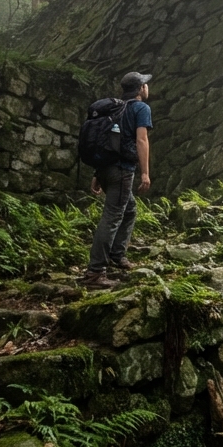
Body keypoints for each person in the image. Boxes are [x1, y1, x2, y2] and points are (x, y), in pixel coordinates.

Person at [82, 70, 152, 289]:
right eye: (146, 85)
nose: (148, 88)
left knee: (129, 209)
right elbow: (141, 141)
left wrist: (97, 174)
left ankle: (117, 254)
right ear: (140, 89)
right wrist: (145, 172)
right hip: (122, 170)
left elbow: (106, 140)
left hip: (105, 168)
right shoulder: (141, 108)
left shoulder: (115, 110)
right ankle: (95, 272)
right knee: (112, 216)